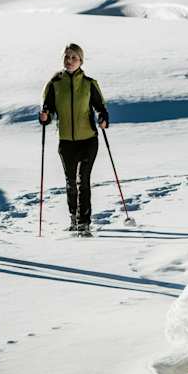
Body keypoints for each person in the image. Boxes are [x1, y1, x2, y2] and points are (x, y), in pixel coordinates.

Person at [40, 43, 109, 236]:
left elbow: (101, 108)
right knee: (70, 182)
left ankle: (83, 223)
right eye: (67, 57)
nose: (69, 61)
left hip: (88, 140)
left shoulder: (89, 83)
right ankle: (73, 218)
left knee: (82, 181)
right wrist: (44, 117)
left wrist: (103, 118)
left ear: (81, 61)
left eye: (74, 58)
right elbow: (47, 111)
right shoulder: (54, 84)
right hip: (66, 142)